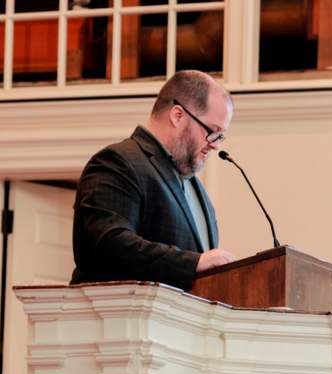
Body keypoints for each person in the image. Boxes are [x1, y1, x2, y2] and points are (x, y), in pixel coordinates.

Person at [70, 70, 237, 289]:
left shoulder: (197, 191)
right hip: (125, 320)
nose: (215, 144)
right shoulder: (118, 162)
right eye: (212, 131)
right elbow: (106, 246)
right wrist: (193, 262)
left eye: (220, 135)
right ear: (178, 115)